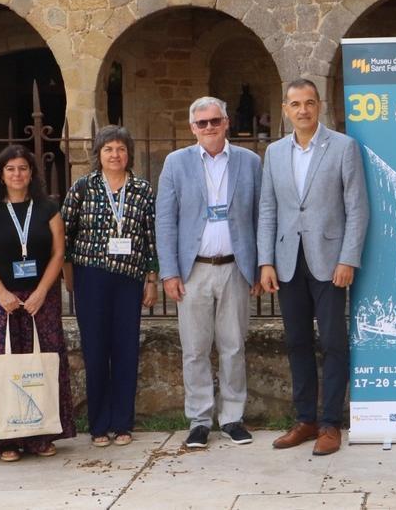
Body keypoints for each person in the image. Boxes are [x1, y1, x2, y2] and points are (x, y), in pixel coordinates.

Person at [259, 79, 368, 456]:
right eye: (295, 104)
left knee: (334, 343)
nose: (302, 110)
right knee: (297, 342)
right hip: (288, 262)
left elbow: (357, 208)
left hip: (330, 262)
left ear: (319, 105)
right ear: (285, 109)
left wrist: (348, 258)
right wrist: (266, 261)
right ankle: (305, 419)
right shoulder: (274, 152)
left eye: (309, 103)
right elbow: (268, 209)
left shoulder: (343, 147)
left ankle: (330, 423)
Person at [156, 97, 263, 449]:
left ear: (227, 122)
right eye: (202, 123)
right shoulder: (176, 163)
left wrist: (259, 266)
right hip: (194, 270)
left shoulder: (250, 161)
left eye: (215, 121)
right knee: (195, 348)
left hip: (235, 267)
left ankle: (232, 418)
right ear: (192, 128)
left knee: (233, 346)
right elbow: (165, 221)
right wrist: (169, 272)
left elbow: (261, 216)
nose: (209, 128)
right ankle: (199, 420)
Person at [0, 145, 75, 461]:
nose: (17, 174)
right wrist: (1, 293)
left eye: (23, 168)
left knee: (41, 365)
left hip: (40, 298)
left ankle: (41, 436)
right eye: (10, 168)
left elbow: (58, 253)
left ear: (32, 174)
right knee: (3, 365)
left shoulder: (47, 209)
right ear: (1, 175)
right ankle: (6, 440)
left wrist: (42, 291)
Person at [61, 125, 159, 448]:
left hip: (129, 279)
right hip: (91, 279)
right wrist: (68, 273)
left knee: (126, 350)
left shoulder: (142, 190)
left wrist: (151, 280)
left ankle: (123, 423)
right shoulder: (83, 187)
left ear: (129, 154)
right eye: (108, 149)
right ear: (98, 154)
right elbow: (64, 232)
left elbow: (151, 238)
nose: (115, 155)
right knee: (96, 349)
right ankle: (99, 424)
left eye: (120, 149)